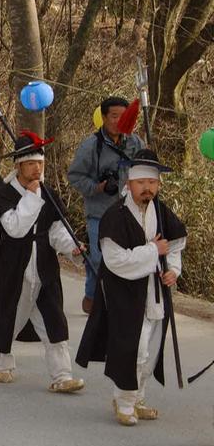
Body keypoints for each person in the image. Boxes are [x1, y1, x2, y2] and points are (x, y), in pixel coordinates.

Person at [76, 150, 186, 426]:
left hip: (155, 292)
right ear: (129, 184)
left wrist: (173, 269)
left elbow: (175, 243)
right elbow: (115, 261)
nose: (147, 188)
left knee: (150, 349)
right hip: (124, 294)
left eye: (152, 183)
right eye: (141, 183)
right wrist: (152, 251)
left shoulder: (161, 211)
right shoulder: (116, 215)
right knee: (134, 348)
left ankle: (137, 398)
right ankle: (124, 402)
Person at [0, 131, 87, 391]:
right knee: (12, 314)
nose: (37, 169)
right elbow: (15, 228)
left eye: (40, 164)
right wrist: (31, 197)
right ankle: (1, 360)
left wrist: (71, 248)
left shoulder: (49, 194)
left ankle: (61, 375)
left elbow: (57, 229)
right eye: (31, 164)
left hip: (43, 263)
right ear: (19, 166)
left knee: (53, 318)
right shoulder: (4, 195)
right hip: (14, 264)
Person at [67, 96, 145, 314]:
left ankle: (120, 300)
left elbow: (146, 171)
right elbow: (74, 175)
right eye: (114, 116)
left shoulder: (136, 143)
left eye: (124, 116)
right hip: (99, 212)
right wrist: (96, 187)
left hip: (129, 210)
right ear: (103, 118)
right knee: (99, 259)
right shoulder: (91, 146)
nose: (119, 121)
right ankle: (94, 296)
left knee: (130, 256)